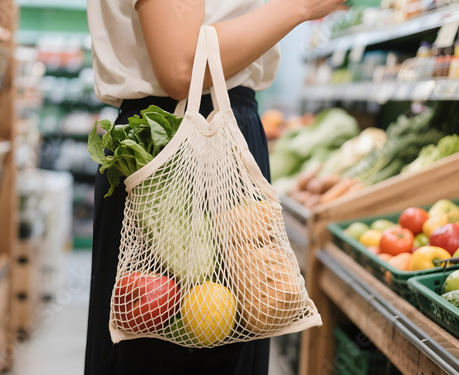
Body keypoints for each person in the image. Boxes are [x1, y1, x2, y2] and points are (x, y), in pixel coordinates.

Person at [85, 0, 345, 374]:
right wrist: (304, 6)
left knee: (214, 336)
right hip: (178, 143)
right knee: (177, 352)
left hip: (194, 135)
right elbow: (181, 64)